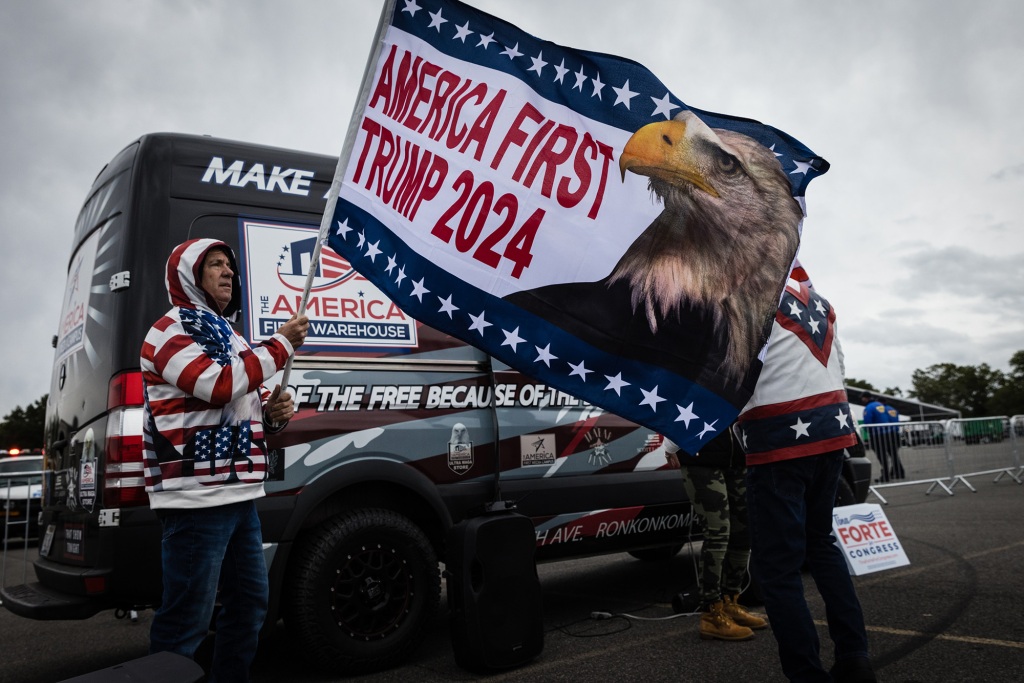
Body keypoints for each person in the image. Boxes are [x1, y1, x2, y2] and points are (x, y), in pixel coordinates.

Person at [141, 238, 308, 683]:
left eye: (230, 266)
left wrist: (273, 414)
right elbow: (215, 385)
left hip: (240, 496)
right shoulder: (167, 330)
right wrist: (281, 346)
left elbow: (247, 398)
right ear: (188, 276)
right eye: (215, 264)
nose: (228, 272)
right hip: (195, 501)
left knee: (251, 607)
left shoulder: (230, 334)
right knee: (185, 622)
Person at [737, 277, 875, 682]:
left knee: (777, 568)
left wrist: (676, 440)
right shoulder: (820, 302)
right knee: (821, 543)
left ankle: (806, 674)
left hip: (779, 437)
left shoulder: (744, 299)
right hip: (832, 428)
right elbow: (840, 366)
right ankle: (855, 657)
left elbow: (725, 374)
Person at [664, 430, 768, 641]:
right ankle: (712, 612)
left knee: (743, 532)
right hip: (699, 456)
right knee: (718, 532)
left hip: (735, 457)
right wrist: (670, 445)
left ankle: (731, 602)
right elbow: (674, 406)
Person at [860, 393, 892, 482]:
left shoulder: (869, 407)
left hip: (876, 434)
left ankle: (885, 475)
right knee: (885, 455)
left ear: (865, 398)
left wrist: (868, 431)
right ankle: (886, 474)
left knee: (881, 455)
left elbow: (868, 421)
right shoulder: (880, 405)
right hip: (887, 433)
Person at [884, 402, 906, 480]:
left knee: (893, 455)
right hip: (896, 433)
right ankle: (893, 472)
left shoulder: (884, 409)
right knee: (894, 454)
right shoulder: (893, 409)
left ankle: (900, 472)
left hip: (889, 434)